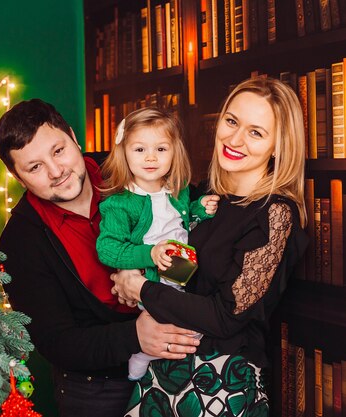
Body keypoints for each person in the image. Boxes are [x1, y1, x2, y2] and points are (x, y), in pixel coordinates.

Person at [111, 77, 308, 416]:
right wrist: (134, 273)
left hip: (221, 384)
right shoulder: (202, 197)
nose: (235, 139)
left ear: (278, 145)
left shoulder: (275, 213)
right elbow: (191, 277)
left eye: (256, 132)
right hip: (163, 372)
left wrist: (142, 289)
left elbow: (224, 317)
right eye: (231, 122)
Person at [0, 98, 202, 417]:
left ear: (75, 138)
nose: (56, 171)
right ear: (19, 179)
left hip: (183, 359)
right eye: (34, 167)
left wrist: (157, 285)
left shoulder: (130, 165)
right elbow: (56, 342)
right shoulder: (20, 241)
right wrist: (135, 335)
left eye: (59, 150)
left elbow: (191, 230)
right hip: (96, 389)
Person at [96, 107, 219, 381]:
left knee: (197, 324)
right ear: (124, 152)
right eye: (139, 150)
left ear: (174, 152)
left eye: (161, 149)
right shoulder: (120, 203)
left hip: (185, 272)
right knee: (186, 328)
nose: (151, 157)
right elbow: (107, 248)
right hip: (155, 281)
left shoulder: (178, 190)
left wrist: (200, 208)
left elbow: (183, 221)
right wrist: (149, 254)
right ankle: (142, 354)